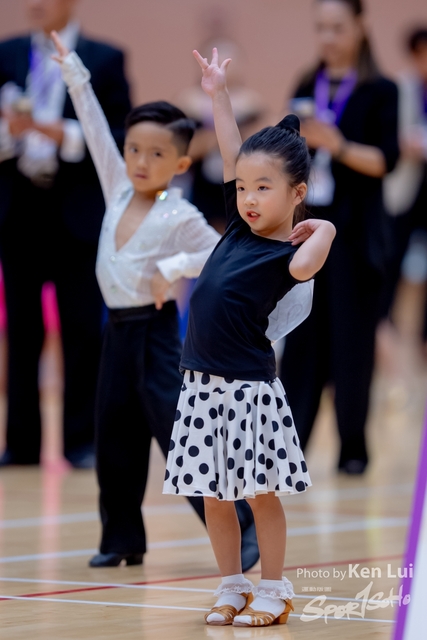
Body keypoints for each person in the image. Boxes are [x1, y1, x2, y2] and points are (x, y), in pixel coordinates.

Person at [51, 33, 260, 571]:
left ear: (182, 163)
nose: (141, 162)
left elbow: (218, 254)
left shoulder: (180, 215)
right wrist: (74, 71)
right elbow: (94, 128)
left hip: (158, 335)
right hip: (117, 334)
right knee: (113, 435)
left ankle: (243, 528)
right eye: (134, 150)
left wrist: (172, 268)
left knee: (181, 440)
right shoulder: (118, 187)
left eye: (157, 154)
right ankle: (122, 538)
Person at [163, 48, 335, 627]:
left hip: (248, 392)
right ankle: (232, 584)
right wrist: (217, 93)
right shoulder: (238, 227)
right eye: (243, 188)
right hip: (200, 387)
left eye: (264, 188)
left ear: (297, 193)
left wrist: (325, 225)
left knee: (260, 495)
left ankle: (274, 588)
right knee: (215, 497)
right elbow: (230, 146)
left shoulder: (283, 253)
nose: (250, 198)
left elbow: (309, 264)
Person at [0, 0, 131, 468]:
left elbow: (119, 137)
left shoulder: (104, 58)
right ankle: (21, 444)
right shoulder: (8, 52)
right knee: (21, 328)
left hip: (77, 209)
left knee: (81, 327)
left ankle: (80, 441)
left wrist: (58, 133)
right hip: (19, 208)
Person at [279, 0, 399, 474]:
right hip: (307, 231)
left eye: (337, 27)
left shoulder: (381, 90)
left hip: (356, 238)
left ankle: (352, 450)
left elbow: (386, 160)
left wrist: (339, 145)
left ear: (359, 27)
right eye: (321, 28)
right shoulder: (305, 84)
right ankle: (290, 449)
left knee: (352, 346)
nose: (328, 37)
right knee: (301, 343)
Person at [382, 28, 427, 346]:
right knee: (393, 255)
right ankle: (384, 324)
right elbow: (389, 136)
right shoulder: (401, 88)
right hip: (406, 186)